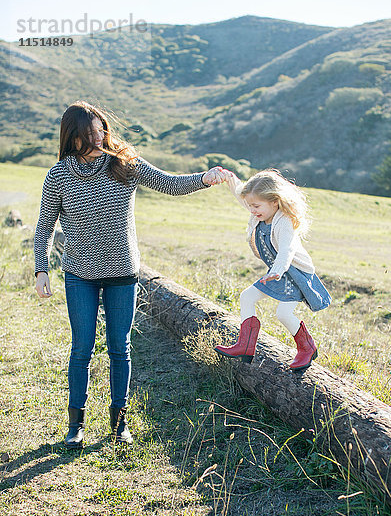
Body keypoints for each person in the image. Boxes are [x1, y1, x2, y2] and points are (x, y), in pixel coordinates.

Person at [34, 100, 227, 449]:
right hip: (80, 274)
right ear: (72, 138)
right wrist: (40, 268)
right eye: (88, 136)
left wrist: (204, 178)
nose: (97, 140)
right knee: (81, 349)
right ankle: (75, 425)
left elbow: (170, 184)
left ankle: (119, 422)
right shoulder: (58, 175)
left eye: (100, 132)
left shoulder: (125, 164)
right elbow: (44, 225)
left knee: (119, 347)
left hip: (123, 272)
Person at [215, 169, 331, 370]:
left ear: (274, 201)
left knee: (283, 313)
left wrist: (277, 270)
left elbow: (287, 250)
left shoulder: (284, 222)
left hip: (294, 274)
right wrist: (229, 177)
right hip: (277, 272)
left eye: (256, 206)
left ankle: (307, 348)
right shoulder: (260, 211)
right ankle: (245, 345)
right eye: (250, 205)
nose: (251, 210)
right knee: (247, 297)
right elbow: (241, 193)